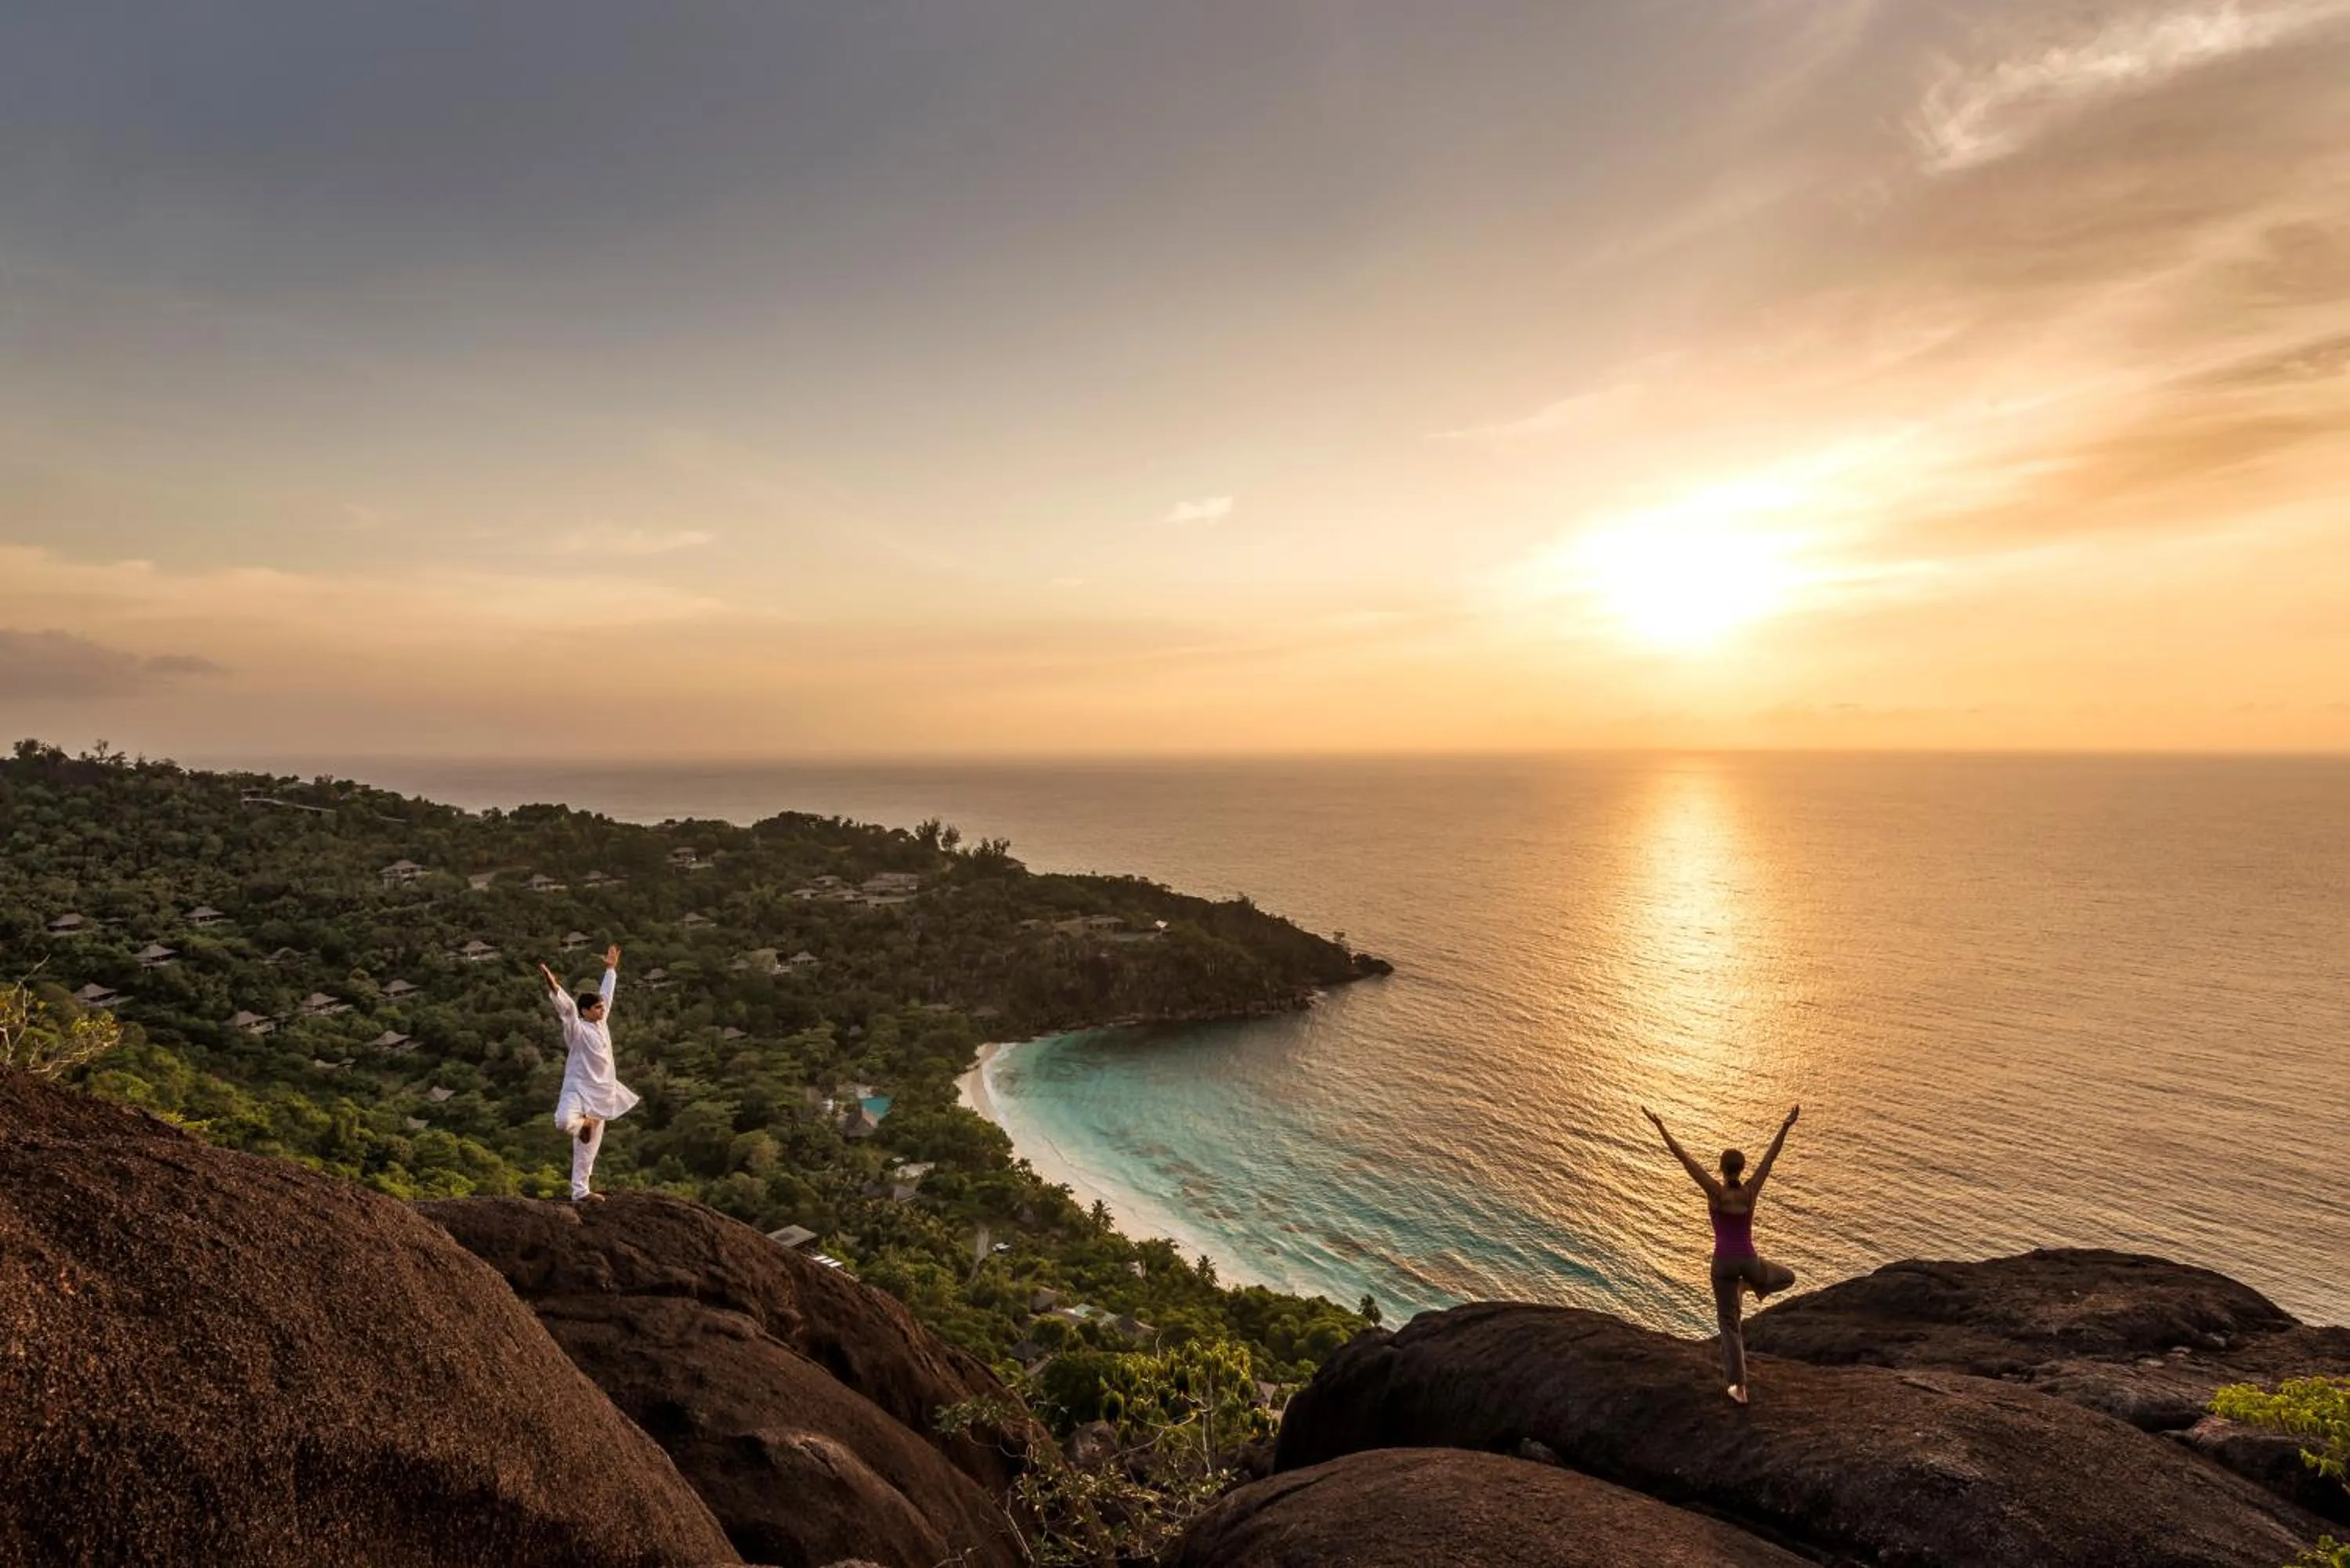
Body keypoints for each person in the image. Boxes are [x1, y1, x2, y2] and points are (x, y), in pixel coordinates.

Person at [1643, 1103, 1800, 1405]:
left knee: (1730, 1326)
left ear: (1721, 1168)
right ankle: (1752, 1285)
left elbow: (1683, 1159)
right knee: (1787, 1277)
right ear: (1741, 1169)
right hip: (1750, 1261)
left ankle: (1739, 1389)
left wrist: (1660, 1125)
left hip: (1723, 1265)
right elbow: (1771, 1157)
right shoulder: (1751, 1191)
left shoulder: (1716, 1193)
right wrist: (1785, 1125)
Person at [540, 945, 638, 1201]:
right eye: (596, 1008)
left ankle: (581, 1192)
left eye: (601, 1007)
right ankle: (584, 1123)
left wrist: (610, 969)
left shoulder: (601, 1023)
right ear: (585, 1011)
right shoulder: (577, 1030)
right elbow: (567, 1010)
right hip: (578, 1089)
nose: (601, 1009)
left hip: (602, 1092)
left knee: (588, 1150)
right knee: (563, 1122)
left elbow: (608, 994)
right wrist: (553, 986)